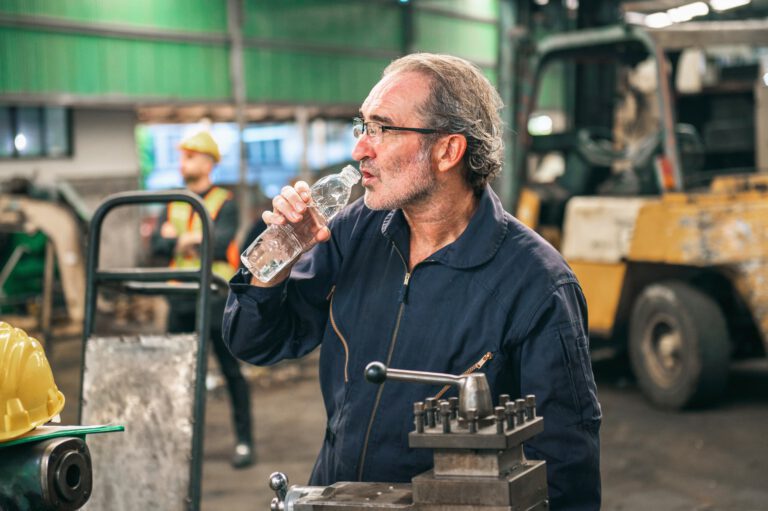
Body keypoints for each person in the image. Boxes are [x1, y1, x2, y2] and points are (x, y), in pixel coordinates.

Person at [223, 54, 601, 508]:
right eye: (361, 126)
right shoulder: (352, 231)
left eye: (382, 129)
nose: (361, 148)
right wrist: (274, 266)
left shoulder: (536, 286)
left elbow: (564, 475)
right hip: (336, 497)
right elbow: (255, 343)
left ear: (448, 150)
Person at [151, 130, 255, 469]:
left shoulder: (224, 203)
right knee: (177, 375)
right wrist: (190, 239)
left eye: (190, 156)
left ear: (208, 162)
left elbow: (217, 241)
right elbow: (156, 244)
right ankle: (178, 445)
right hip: (180, 298)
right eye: (183, 156)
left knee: (230, 371)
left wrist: (179, 239)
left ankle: (244, 442)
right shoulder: (173, 201)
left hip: (214, 300)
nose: (183, 162)